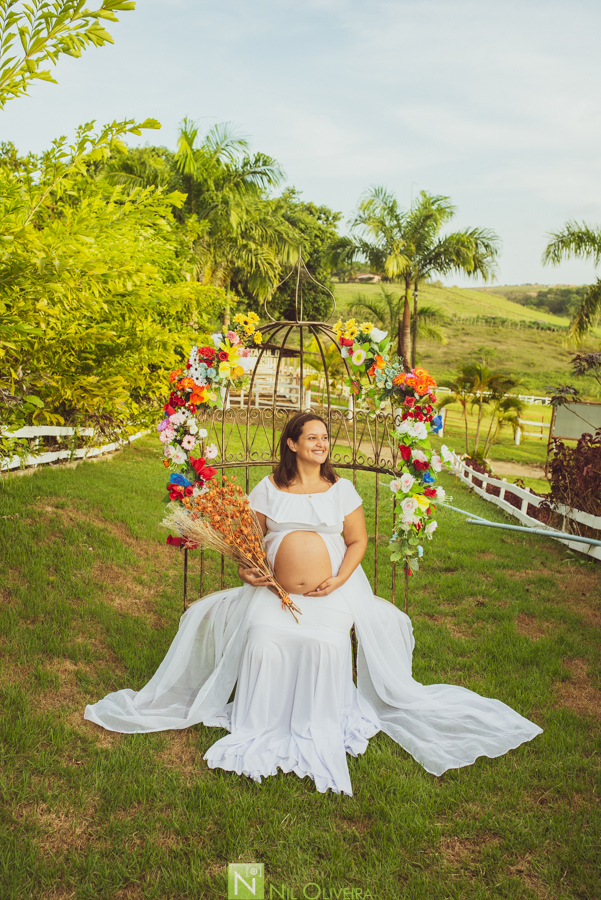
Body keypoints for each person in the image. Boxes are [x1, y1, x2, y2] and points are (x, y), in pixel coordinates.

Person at [84, 412, 542, 796]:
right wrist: (249, 571)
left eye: (325, 438)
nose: (322, 444)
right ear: (292, 444)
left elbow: (359, 540)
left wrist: (340, 578)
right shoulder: (267, 488)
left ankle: (317, 722)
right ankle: (259, 722)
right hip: (272, 593)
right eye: (313, 438)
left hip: (332, 592)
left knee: (327, 647)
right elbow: (248, 543)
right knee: (262, 640)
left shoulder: (341, 490)